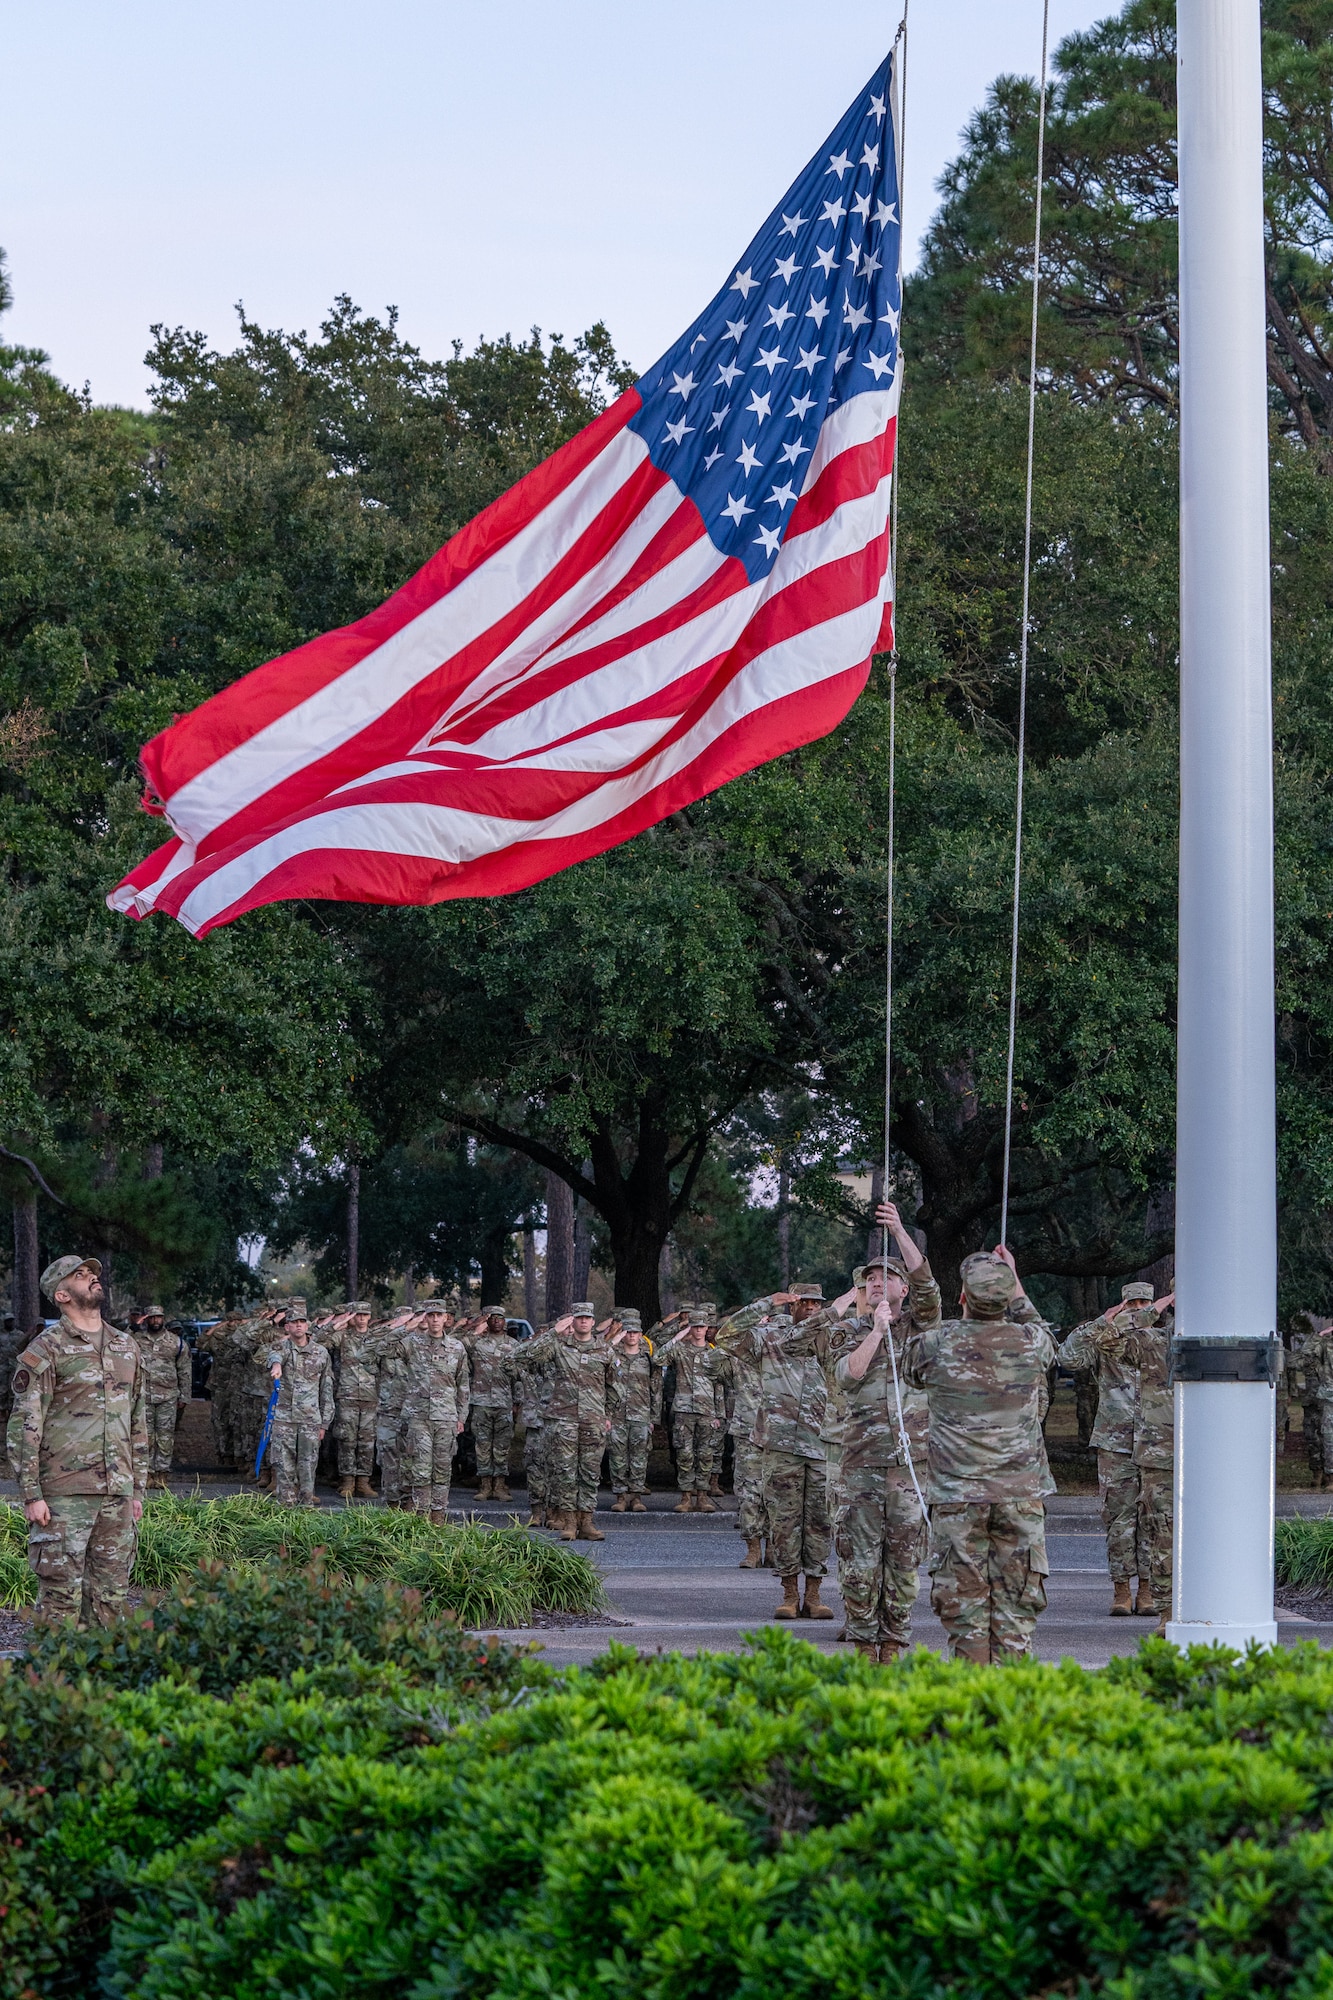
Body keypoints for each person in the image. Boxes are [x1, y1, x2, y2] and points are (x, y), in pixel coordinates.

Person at [902, 1244, 1056, 1664]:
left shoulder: (936, 1344)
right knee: (1017, 1610)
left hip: (958, 1497)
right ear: (1008, 1297)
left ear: (962, 1297)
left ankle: (972, 1703)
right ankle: (1012, 1705)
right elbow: (1041, 1330)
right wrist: (1014, 1280)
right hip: (1020, 1497)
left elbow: (910, 1371)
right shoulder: (1030, 1342)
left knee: (964, 1609)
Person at [810, 1202, 931, 1662]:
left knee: (903, 1560)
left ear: (903, 1287)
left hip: (908, 1465)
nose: (877, 1282)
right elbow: (848, 1376)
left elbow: (928, 1282)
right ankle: (863, 1643)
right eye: (870, 1279)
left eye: (886, 1277)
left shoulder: (922, 1327)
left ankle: (894, 1643)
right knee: (859, 1560)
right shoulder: (850, 1330)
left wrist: (899, 1229)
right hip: (861, 1463)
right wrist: (876, 1331)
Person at [5, 1255, 146, 1624]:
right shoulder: (45, 1350)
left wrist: (137, 1490)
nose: (92, 1279)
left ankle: (103, 1679)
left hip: (118, 1494)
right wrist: (32, 1494)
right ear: (62, 1295)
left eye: (93, 1273)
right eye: (81, 1275)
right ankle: (54, 1680)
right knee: (60, 1602)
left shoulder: (126, 1346)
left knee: (111, 1600)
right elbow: (25, 1426)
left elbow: (139, 1422)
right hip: (64, 1496)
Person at [714, 1286, 834, 1621]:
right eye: (804, 1302)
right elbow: (725, 1336)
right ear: (792, 1304)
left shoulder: (832, 1335)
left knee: (821, 1522)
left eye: (817, 1303)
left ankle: (814, 1593)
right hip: (780, 1445)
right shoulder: (768, 1337)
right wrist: (765, 1303)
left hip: (824, 1444)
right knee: (784, 1522)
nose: (811, 1308)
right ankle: (789, 1592)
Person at [1058, 1280, 1161, 1617]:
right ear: (1122, 1306)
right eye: (1131, 1305)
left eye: (1144, 1304)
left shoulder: (1162, 1340)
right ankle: (1121, 1589)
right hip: (1115, 1441)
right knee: (1118, 1517)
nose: (1137, 1310)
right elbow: (1068, 1356)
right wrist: (1103, 1322)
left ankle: (1147, 1589)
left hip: (1155, 1440)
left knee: (1153, 1516)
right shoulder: (1105, 1340)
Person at [512, 1301, 614, 1541]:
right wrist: (553, 1332)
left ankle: (586, 1522)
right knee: (565, 1473)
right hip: (563, 1420)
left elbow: (613, 1387)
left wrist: (606, 1414)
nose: (583, 1322)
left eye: (587, 1318)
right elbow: (523, 1356)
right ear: (572, 1321)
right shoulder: (557, 1347)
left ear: (593, 1321)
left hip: (592, 1420)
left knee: (589, 1473)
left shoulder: (604, 1350)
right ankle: (568, 1522)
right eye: (578, 1318)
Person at [400, 1299, 469, 1523]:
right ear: (425, 1318)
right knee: (420, 1468)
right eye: (431, 1315)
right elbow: (377, 1347)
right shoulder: (411, 1343)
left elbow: (463, 1385)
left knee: (442, 1468)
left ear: (446, 1318)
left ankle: (438, 1517)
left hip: (446, 1417)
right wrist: (406, 1325)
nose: (435, 1319)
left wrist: (461, 1416)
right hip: (418, 1416)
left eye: (440, 1315)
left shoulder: (457, 1348)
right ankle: (421, 1517)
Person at [653, 1305, 725, 1513]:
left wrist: (719, 1414)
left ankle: (702, 1496)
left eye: (703, 1327)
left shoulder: (714, 1353)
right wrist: (679, 1335)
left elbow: (719, 1384)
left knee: (705, 1454)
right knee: (684, 1454)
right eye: (695, 1327)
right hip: (684, 1410)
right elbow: (658, 1358)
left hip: (707, 1411)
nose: (699, 1330)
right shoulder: (679, 1350)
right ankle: (686, 1496)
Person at [265, 1300, 334, 1507]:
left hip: (310, 1419)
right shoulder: (282, 1347)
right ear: (287, 1326)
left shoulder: (321, 1352)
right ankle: (285, 1508)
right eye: (294, 1322)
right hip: (284, 1419)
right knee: (283, 1466)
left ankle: (306, 1508)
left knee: (308, 1466)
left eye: (302, 1322)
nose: (298, 1326)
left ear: (307, 1325)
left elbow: (327, 1388)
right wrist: (277, 1365)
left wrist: (324, 1423)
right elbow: (275, 1355)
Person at [714, 1326, 770, 1566]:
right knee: (748, 1494)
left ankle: (775, 1548)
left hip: (783, 1436)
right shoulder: (738, 1361)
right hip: (747, 1433)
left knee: (779, 1496)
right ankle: (753, 1548)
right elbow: (709, 1364)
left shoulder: (789, 1361)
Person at [131, 1303, 193, 1489]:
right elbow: (118, 1342)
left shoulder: (176, 1342)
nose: (155, 1320)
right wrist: (134, 1325)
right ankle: (147, 1473)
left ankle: (162, 1474)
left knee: (165, 1436)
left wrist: (185, 1396)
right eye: (151, 1317)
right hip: (143, 1396)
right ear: (146, 1319)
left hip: (168, 1396)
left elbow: (185, 1370)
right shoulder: (136, 1339)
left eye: (158, 1317)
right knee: (145, 1436)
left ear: (163, 1319)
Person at [325, 1302, 380, 1501]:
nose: (362, 1319)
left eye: (365, 1315)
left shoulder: (376, 1337)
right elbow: (319, 1340)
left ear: (369, 1316)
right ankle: (347, 1481)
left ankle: (363, 1482)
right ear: (352, 1317)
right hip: (347, 1396)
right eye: (358, 1315)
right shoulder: (343, 1336)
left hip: (370, 1396)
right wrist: (339, 1322)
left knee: (367, 1441)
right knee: (347, 1440)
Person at [463, 1306, 520, 1500]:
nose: (496, 1321)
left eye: (500, 1318)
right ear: (487, 1321)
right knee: (483, 1445)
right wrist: (476, 1325)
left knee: (502, 1445)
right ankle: (485, 1485)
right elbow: (459, 1341)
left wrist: (517, 1402)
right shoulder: (477, 1343)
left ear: (505, 1322)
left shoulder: (513, 1345)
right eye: (492, 1318)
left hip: (504, 1401)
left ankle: (500, 1486)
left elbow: (518, 1377)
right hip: (481, 1401)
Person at [607, 1310, 658, 1511]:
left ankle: (636, 1496)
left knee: (639, 1457)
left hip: (641, 1414)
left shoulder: (647, 1359)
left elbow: (656, 1389)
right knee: (617, 1457)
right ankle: (620, 1496)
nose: (631, 1336)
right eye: (628, 1332)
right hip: (617, 1414)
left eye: (635, 1332)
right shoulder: (612, 1357)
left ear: (640, 1334)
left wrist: (653, 1417)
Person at [371, 1303, 418, 1507]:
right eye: (403, 1324)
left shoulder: (421, 1347)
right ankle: (391, 1504)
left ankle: (409, 1505)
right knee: (389, 1460)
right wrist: (394, 1328)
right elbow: (364, 1353)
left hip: (415, 1412)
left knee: (412, 1459)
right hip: (389, 1412)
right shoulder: (384, 1350)